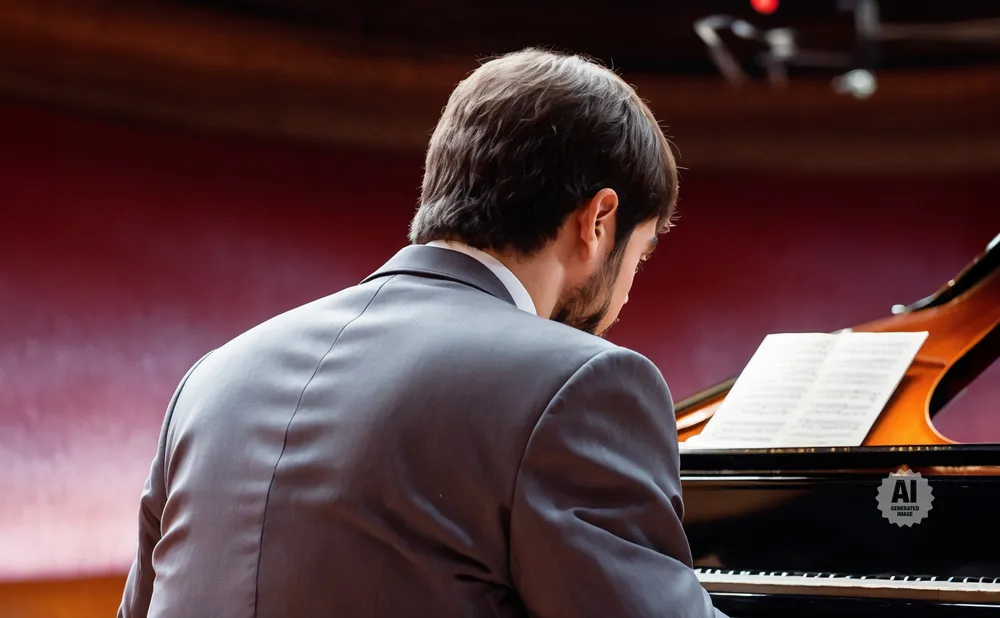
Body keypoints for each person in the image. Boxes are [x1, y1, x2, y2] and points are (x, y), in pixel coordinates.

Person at [118, 47, 726, 618]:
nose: (623, 299)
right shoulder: (579, 384)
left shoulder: (214, 375)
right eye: (640, 257)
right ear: (598, 221)